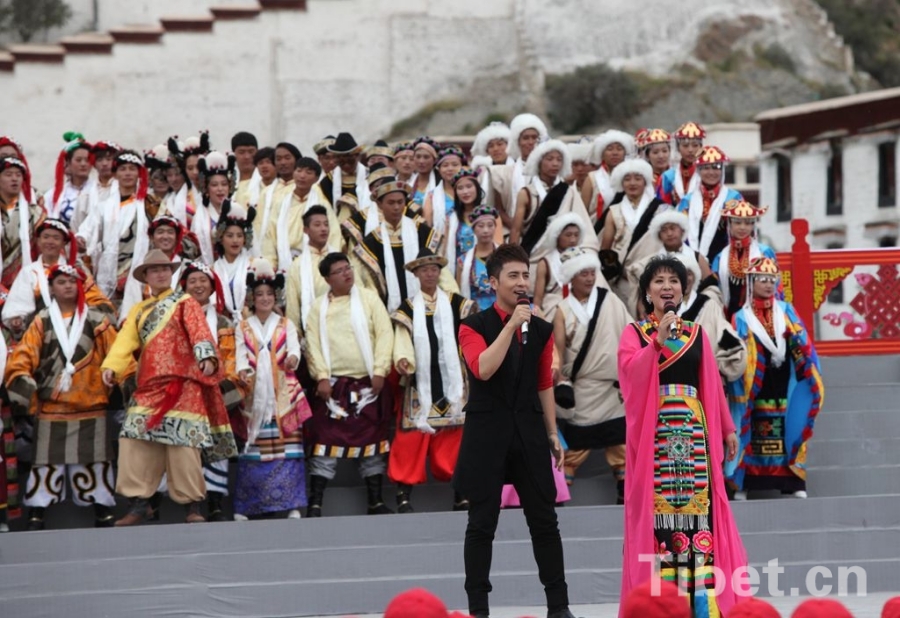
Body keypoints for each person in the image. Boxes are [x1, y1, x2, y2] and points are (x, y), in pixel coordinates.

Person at [617, 256, 746, 617]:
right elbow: (630, 378)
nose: (667, 287)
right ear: (646, 292)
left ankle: (702, 604)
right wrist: (656, 343)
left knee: (698, 515)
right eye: (658, 281)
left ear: (683, 291)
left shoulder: (696, 335)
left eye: (673, 281)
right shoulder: (636, 334)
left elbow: (711, 386)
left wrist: (726, 427)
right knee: (661, 519)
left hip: (694, 435)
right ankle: (663, 603)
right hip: (655, 437)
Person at [454, 244, 574, 618]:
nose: (522, 282)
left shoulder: (540, 328)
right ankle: (479, 609)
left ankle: (558, 607)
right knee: (481, 524)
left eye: (525, 275)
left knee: (545, 522)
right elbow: (483, 369)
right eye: (513, 276)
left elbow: (543, 382)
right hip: (486, 433)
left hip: (529, 431)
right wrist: (509, 325)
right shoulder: (472, 326)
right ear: (493, 283)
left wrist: (552, 433)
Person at [100, 249, 237, 525]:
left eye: (165, 268)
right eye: (154, 270)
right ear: (146, 277)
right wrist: (111, 366)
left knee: (184, 446)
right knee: (132, 440)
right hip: (148, 387)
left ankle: (192, 506)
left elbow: (199, 331)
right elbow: (125, 341)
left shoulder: (185, 302)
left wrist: (207, 358)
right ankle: (139, 504)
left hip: (184, 384)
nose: (160, 273)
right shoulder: (138, 310)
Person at [5, 264, 118, 530]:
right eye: (61, 282)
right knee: (45, 465)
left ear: (79, 285)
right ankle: (37, 513)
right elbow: (22, 357)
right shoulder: (41, 320)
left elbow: (117, 354)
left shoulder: (95, 319)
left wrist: (117, 375)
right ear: (51, 288)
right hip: (52, 406)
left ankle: (102, 510)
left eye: (71, 281)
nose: (67, 286)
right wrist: (24, 382)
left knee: (95, 464)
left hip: (90, 405)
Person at [304, 252, 395, 516]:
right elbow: (312, 344)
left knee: (373, 443)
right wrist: (320, 376)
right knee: (324, 442)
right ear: (327, 278)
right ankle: (315, 503)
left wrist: (380, 370)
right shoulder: (318, 308)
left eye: (348, 268)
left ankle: (375, 501)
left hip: (368, 385)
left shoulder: (368, 299)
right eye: (340, 271)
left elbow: (384, 334)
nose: (347, 273)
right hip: (333, 387)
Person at [727, 257, 823, 501]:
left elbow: (802, 342)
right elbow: (737, 350)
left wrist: (799, 352)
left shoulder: (786, 311)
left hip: (784, 379)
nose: (768, 285)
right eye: (762, 280)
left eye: (772, 280)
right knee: (752, 431)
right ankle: (746, 483)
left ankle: (793, 481)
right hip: (755, 384)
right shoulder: (741, 317)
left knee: (789, 427)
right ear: (751, 283)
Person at [389, 248, 475, 513]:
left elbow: (470, 334)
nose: (430, 273)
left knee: (455, 437)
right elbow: (402, 339)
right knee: (411, 438)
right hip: (420, 380)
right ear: (415, 274)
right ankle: (403, 495)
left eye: (434, 268)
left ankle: (461, 493)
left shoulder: (457, 303)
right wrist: (403, 359)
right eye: (424, 269)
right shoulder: (407, 309)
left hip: (453, 380)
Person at [234, 258, 311, 520]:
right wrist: (243, 370)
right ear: (251, 298)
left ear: (275, 296)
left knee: (287, 453)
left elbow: (294, 348)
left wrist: (293, 359)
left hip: (283, 393)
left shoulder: (285, 324)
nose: (265, 298)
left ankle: (291, 505)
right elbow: (240, 355)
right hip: (255, 394)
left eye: (269, 294)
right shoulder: (243, 327)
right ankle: (247, 506)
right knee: (254, 453)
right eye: (259, 294)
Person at [552, 247, 631, 500]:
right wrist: (559, 378)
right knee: (576, 446)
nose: (588, 278)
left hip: (612, 388)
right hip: (583, 388)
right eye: (583, 273)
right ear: (571, 277)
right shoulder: (562, 310)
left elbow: (630, 333)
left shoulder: (610, 300)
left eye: (592, 272)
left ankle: (624, 494)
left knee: (620, 445)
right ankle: (561, 496)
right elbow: (558, 350)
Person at [178, 260, 246, 522]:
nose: (198, 285)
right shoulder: (176, 317)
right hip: (184, 392)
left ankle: (216, 503)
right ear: (184, 286)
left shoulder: (223, 321)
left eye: (202, 280)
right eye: (192, 281)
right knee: (188, 449)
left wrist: (220, 386)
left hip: (215, 389)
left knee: (216, 447)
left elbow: (230, 357)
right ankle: (193, 505)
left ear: (212, 286)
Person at [353, 177, 456, 313]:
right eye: (391, 203)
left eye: (400, 202)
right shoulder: (370, 243)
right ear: (379, 204)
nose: (396, 207)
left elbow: (442, 274)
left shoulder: (424, 233)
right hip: (387, 312)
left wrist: (454, 299)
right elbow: (370, 286)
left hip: (430, 309)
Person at [79, 149, 159, 307]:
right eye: (123, 169)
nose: (127, 173)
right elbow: (88, 230)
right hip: (109, 271)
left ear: (139, 173)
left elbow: (167, 229)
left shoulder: (150, 204)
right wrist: (82, 239)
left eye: (132, 169)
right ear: (115, 174)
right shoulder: (103, 207)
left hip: (139, 269)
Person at [3, 218, 113, 330]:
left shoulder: (76, 269)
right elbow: (18, 303)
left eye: (56, 238)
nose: (50, 242)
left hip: (77, 325)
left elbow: (95, 299)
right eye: (46, 237)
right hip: (41, 328)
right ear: (38, 240)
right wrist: (16, 318)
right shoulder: (29, 271)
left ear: (63, 243)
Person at [599, 158, 667, 310]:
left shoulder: (660, 209)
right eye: (627, 179)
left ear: (645, 181)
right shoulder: (613, 211)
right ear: (621, 183)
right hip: (622, 279)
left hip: (654, 275)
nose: (632, 183)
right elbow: (606, 249)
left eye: (638, 178)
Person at [626, 210, 712, 317]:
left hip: (696, 311)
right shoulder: (653, 261)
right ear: (659, 235)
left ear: (682, 230)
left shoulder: (696, 257)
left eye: (673, 228)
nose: (669, 233)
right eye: (664, 230)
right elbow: (645, 291)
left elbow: (710, 286)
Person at [264, 156, 342, 268]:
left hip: (314, 261)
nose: (302, 176)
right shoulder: (281, 202)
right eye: (299, 171)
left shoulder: (321, 204)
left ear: (316, 179)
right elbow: (270, 234)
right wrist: (271, 263)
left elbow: (334, 235)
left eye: (308, 172)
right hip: (283, 260)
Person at [710, 199, 778, 320]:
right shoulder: (720, 257)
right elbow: (715, 288)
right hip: (729, 311)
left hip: (759, 311)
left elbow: (775, 284)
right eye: (737, 223)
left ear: (753, 225)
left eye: (747, 223)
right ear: (729, 224)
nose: (742, 227)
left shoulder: (764, 252)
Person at [676, 145, 743, 262]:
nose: (711, 172)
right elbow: (679, 234)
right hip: (691, 261)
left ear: (722, 170)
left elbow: (743, 231)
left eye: (716, 167)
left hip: (725, 261)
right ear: (698, 170)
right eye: (706, 167)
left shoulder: (734, 198)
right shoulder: (687, 201)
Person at [487, 113, 548, 238]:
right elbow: (499, 209)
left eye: (534, 138)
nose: (531, 142)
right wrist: (518, 228)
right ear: (518, 142)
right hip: (512, 233)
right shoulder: (502, 173)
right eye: (526, 138)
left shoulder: (550, 172)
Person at [284, 205, 337, 334]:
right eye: (317, 225)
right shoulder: (297, 265)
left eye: (326, 224)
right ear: (306, 230)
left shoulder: (340, 259)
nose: (323, 229)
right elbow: (293, 307)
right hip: (313, 328)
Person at [511, 139, 573, 245]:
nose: (555, 164)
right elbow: (516, 230)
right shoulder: (526, 193)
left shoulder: (568, 191)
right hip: (532, 248)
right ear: (539, 162)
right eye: (549, 159)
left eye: (559, 160)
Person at [532, 212, 591, 321]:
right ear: (557, 236)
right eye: (568, 235)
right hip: (553, 308)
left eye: (576, 235)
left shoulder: (585, 259)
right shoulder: (545, 263)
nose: (573, 240)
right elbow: (538, 300)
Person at [0, 156, 45, 290]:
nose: (14, 178)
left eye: (18, 175)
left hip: (26, 281)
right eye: (8, 174)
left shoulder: (35, 212)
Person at [422, 146, 466, 272]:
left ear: (462, 167)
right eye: (445, 165)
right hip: (443, 248)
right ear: (438, 169)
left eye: (455, 164)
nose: (450, 168)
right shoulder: (432, 196)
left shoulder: (471, 193)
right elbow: (428, 227)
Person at [192, 151, 237, 264]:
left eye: (224, 184)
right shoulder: (200, 217)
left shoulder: (237, 211)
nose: (220, 189)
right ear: (206, 189)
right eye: (214, 185)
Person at [582, 129, 635, 224]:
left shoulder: (633, 178)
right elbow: (583, 212)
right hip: (597, 230)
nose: (615, 153)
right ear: (602, 154)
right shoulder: (592, 178)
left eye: (619, 149)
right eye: (610, 149)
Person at [45, 132, 94, 226]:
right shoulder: (52, 195)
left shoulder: (98, 191)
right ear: (68, 163)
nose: (83, 164)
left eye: (87, 160)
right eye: (78, 160)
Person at [457, 205, 499, 311]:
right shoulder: (463, 261)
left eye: (490, 225)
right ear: (473, 229)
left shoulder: (505, 256)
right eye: (481, 226)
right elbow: (460, 296)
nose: (486, 230)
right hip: (475, 316)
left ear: (495, 227)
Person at [658, 121, 705, 206]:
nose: (690, 150)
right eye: (685, 146)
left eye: (695, 145)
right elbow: (662, 205)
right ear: (678, 148)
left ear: (701, 148)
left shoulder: (707, 174)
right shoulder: (668, 176)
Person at [635, 128, 671, 194]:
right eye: (655, 152)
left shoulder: (677, 174)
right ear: (647, 156)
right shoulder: (643, 178)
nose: (661, 156)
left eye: (664, 151)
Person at [409, 136, 441, 208]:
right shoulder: (409, 183)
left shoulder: (441, 183)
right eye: (418, 156)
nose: (421, 161)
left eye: (426, 157)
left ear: (434, 160)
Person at [230, 131, 259, 207]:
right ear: (234, 153)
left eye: (251, 152)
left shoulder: (265, 179)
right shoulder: (228, 179)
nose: (247, 157)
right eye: (241, 152)